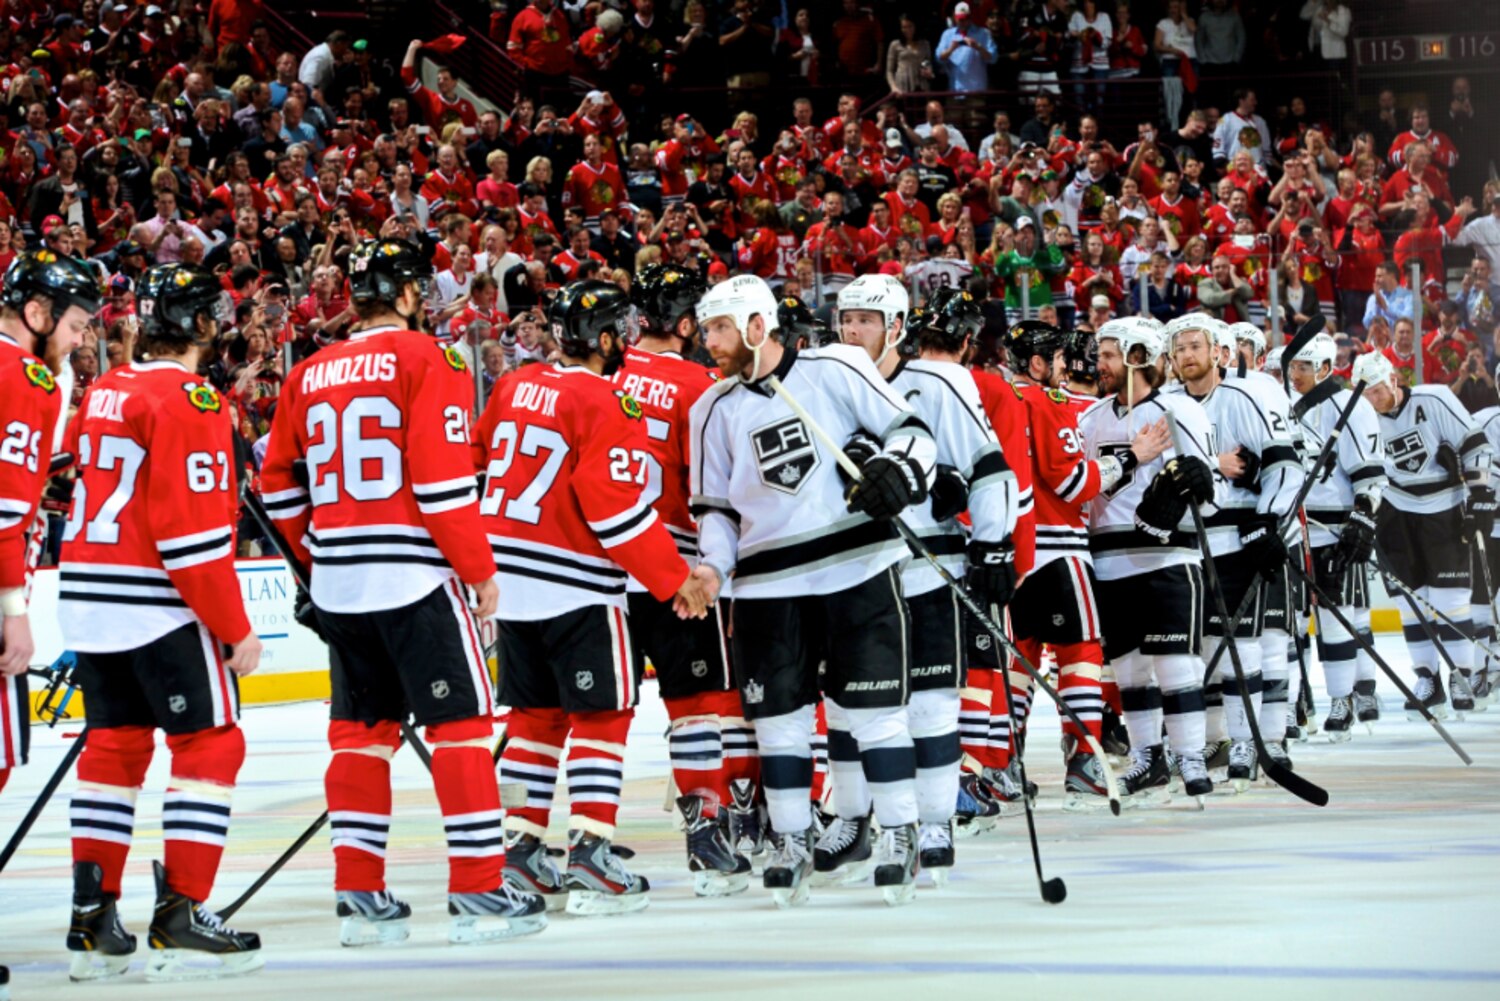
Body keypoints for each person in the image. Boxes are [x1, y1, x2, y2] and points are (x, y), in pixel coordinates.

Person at [260, 240, 548, 947]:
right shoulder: (429, 357)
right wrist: (480, 571)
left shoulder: (311, 369)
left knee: (360, 734)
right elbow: (443, 485)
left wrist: (315, 559)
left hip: (339, 582)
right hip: (416, 576)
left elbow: (273, 486)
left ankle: (359, 892)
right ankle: (479, 887)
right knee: (463, 728)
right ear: (412, 294)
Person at [689, 274, 936, 907]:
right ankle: (793, 840)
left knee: (875, 714)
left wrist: (898, 471)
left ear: (755, 325)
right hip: (768, 584)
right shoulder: (709, 409)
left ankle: (900, 832)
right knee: (777, 723)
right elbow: (714, 510)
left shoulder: (837, 368)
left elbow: (912, 433)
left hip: (856, 566)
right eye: (705, 326)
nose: (706, 339)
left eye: (718, 326)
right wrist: (714, 569)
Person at [59, 263, 263, 982]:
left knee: (113, 748)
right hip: (156, 603)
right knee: (211, 743)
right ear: (205, 324)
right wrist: (237, 628)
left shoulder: (109, 385)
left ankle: (92, 915)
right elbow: (190, 539)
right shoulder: (194, 399)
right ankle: (182, 910)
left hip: (86, 594)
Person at [481, 279, 710, 915]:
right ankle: (590, 850)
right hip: (575, 582)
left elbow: (476, 463)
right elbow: (614, 512)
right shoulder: (607, 400)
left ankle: (521, 846)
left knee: (533, 717)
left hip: (509, 580)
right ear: (606, 338)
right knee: (601, 717)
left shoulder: (510, 386)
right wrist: (675, 580)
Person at [827, 276, 1017, 884]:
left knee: (931, 700)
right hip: (853, 568)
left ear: (897, 327)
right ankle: (856, 818)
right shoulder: (824, 381)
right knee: (847, 704)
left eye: (864, 319)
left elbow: (987, 465)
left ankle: (934, 819)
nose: (851, 330)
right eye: (845, 319)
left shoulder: (938, 382)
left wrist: (993, 544)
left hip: (927, 566)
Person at [619, 264, 755, 893]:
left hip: (594, 572)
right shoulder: (701, 387)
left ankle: (553, 838)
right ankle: (706, 830)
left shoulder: (607, 372)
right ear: (682, 325)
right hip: (676, 568)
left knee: (587, 716)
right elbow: (719, 489)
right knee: (698, 704)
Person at [1003, 320, 1171, 809]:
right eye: (1056, 358)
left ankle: (1000, 761)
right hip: (1060, 549)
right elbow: (1076, 483)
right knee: (1081, 652)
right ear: (1037, 363)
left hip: (1016, 553)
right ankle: (1085, 756)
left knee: (1021, 660)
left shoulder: (996, 399)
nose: (1064, 367)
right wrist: (1134, 457)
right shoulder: (1047, 403)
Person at [1077, 316, 1220, 805]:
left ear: (1138, 355)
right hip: (1109, 562)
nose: (1101, 364)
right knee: (1131, 673)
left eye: (1111, 354)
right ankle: (1147, 757)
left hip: (1168, 558)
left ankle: (1191, 755)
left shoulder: (1179, 413)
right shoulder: (1091, 418)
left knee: (1177, 666)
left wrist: (1194, 487)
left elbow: (1209, 494)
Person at [0, 252, 102, 925]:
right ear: (36, 315)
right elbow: (4, 509)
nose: (80, 340)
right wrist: (14, 610)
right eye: (72, 324)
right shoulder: (24, 375)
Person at [1168, 315, 1303, 784]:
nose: (1188, 355)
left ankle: (1249, 740)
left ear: (1217, 351)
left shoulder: (1246, 396)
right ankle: (1216, 738)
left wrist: (1268, 523)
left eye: (1195, 346)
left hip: (1239, 538)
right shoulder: (1167, 404)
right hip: (1188, 545)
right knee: (1206, 649)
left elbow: (1284, 465)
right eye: (1179, 348)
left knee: (1245, 646)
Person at [1352, 350, 1492, 718]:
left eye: (1377, 391)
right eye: (1364, 393)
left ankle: (1461, 676)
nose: (1372, 400)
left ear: (1394, 380)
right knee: (1411, 600)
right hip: (1396, 509)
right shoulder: (1361, 416)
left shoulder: (1435, 398)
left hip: (1445, 506)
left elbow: (1475, 443)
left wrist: (1479, 495)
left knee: (1450, 599)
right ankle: (1427, 678)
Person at [1286, 333, 1387, 737]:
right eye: (1293, 367)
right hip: (1295, 528)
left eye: (1304, 367)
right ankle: (1294, 700)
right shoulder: (1286, 408)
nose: (1296, 375)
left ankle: (1345, 697)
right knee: (1292, 622)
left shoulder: (1351, 407)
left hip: (1334, 528)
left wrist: (1363, 518)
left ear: (1326, 368)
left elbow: (1369, 473)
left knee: (1339, 618)